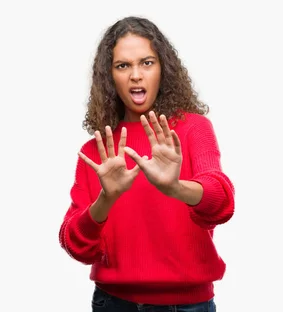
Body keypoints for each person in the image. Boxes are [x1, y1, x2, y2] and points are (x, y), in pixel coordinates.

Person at [58, 16, 234, 312]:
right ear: (110, 77)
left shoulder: (193, 129)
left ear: (163, 70)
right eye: (123, 65)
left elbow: (223, 202)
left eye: (147, 63)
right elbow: (74, 244)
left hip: (188, 306)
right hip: (114, 304)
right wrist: (106, 199)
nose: (136, 75)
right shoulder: (97, 150)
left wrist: (177, 188)